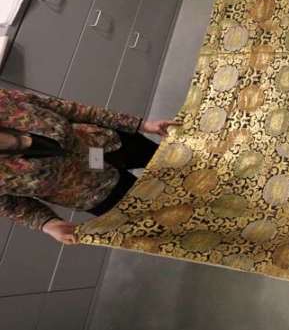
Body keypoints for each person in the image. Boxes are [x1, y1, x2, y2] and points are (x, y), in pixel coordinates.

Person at [0, 88, 179, 245]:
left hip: (105, 143)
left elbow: (72, 110)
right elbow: (11, 206)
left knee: (178, 167)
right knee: (165, 215)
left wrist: (141, 125)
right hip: (92, 192)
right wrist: (48, 224)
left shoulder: (4, 101)